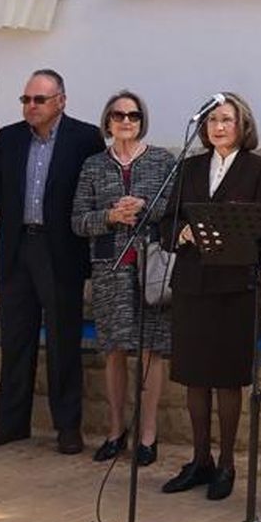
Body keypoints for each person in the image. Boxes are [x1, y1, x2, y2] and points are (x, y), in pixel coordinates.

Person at [0, 69, 105, 454]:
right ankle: (11, 423)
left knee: (63, 340)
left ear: (61, 101)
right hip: (17, 248)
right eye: (26, 99)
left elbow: (93, 192)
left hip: (60, 250)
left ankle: (67, 427)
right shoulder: (8, 138)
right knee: (16, 338)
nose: (31, 106)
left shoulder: (84, 138)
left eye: (39, 100)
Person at [159, 92, 261, 501]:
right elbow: (166, 222)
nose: (218, 127)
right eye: (212, 120)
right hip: (192, 283)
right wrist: (180, 233)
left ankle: (226, 463)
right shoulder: (189, 167)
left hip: (234, 287)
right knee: (194, 376)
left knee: (227, 378)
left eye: (226, 119)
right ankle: (200, 460)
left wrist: (227, 234)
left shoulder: (259, 169)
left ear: (243, 126)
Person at [70, 90, 175, 467]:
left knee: (151, 351)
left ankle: (148, 434)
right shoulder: (93, 166)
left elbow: (176, 210)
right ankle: (116, 430)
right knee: (114, 349)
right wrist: (110, 217)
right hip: (109, 268)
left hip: (151, 269)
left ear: (142, 120)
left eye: (133, 115)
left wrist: (146, 207)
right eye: (118, 115)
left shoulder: (163, 161)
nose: (126, 121)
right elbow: (78, 220)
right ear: (108, 121)